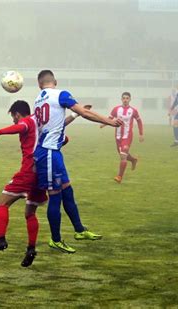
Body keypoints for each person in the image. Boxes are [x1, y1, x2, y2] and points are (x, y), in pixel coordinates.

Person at [33, 70, 122, 254]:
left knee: (67, 191)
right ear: (55, 81)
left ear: (39, 84)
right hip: (49, 153)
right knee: (55, 196)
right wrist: (107, 120)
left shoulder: (39, 100)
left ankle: (79, 230)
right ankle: (55, 240)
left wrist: (76, 115)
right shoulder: (61, 94)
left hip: (51, 152)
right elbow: (83, 111)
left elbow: (58, 123)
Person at [101, 92, 144, 184]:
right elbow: (110, 118)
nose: (125, 100)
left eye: (127, 98)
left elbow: (139, 122)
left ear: (130, 99)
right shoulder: (116, 109)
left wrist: (141, 134)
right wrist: (104, 124)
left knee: (123, 156)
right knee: (123, 155)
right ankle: (133, 160)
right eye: (124, 98)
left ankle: (119, 176)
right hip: (118, 136)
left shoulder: (133, 110)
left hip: (127, 136)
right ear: (121, 99)